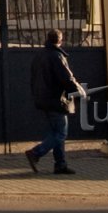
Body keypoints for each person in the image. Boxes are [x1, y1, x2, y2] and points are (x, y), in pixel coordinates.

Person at [25, 27, 85, 175]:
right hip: (55, 99)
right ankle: (36, 152)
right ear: (60, 40)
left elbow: (33, 77)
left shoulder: (40, 56)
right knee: (61, 133)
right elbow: (66, 78)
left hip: (43, 98)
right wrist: (79, 90)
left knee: (56, 131)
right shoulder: (56, 56)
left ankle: (60, 164)